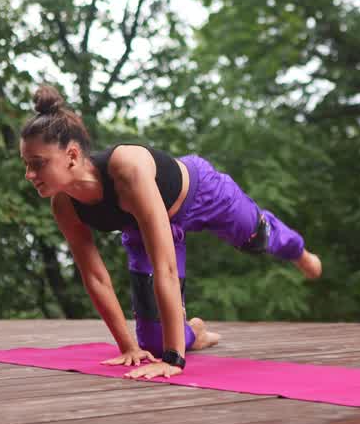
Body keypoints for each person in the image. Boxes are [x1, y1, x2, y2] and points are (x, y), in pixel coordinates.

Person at [20, 85, 322, 379]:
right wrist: (129, 347)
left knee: (258, 237)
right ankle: (194, 334)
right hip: (140, 230)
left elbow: (166, 266)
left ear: (72, 155)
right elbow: (96, 277)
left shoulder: (127, 168)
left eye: (38, 164)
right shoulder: (64, 206)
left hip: (203, 194)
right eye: (26, 164)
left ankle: (298, 250)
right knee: (153, 342)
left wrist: (174, 360)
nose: (29, 174)